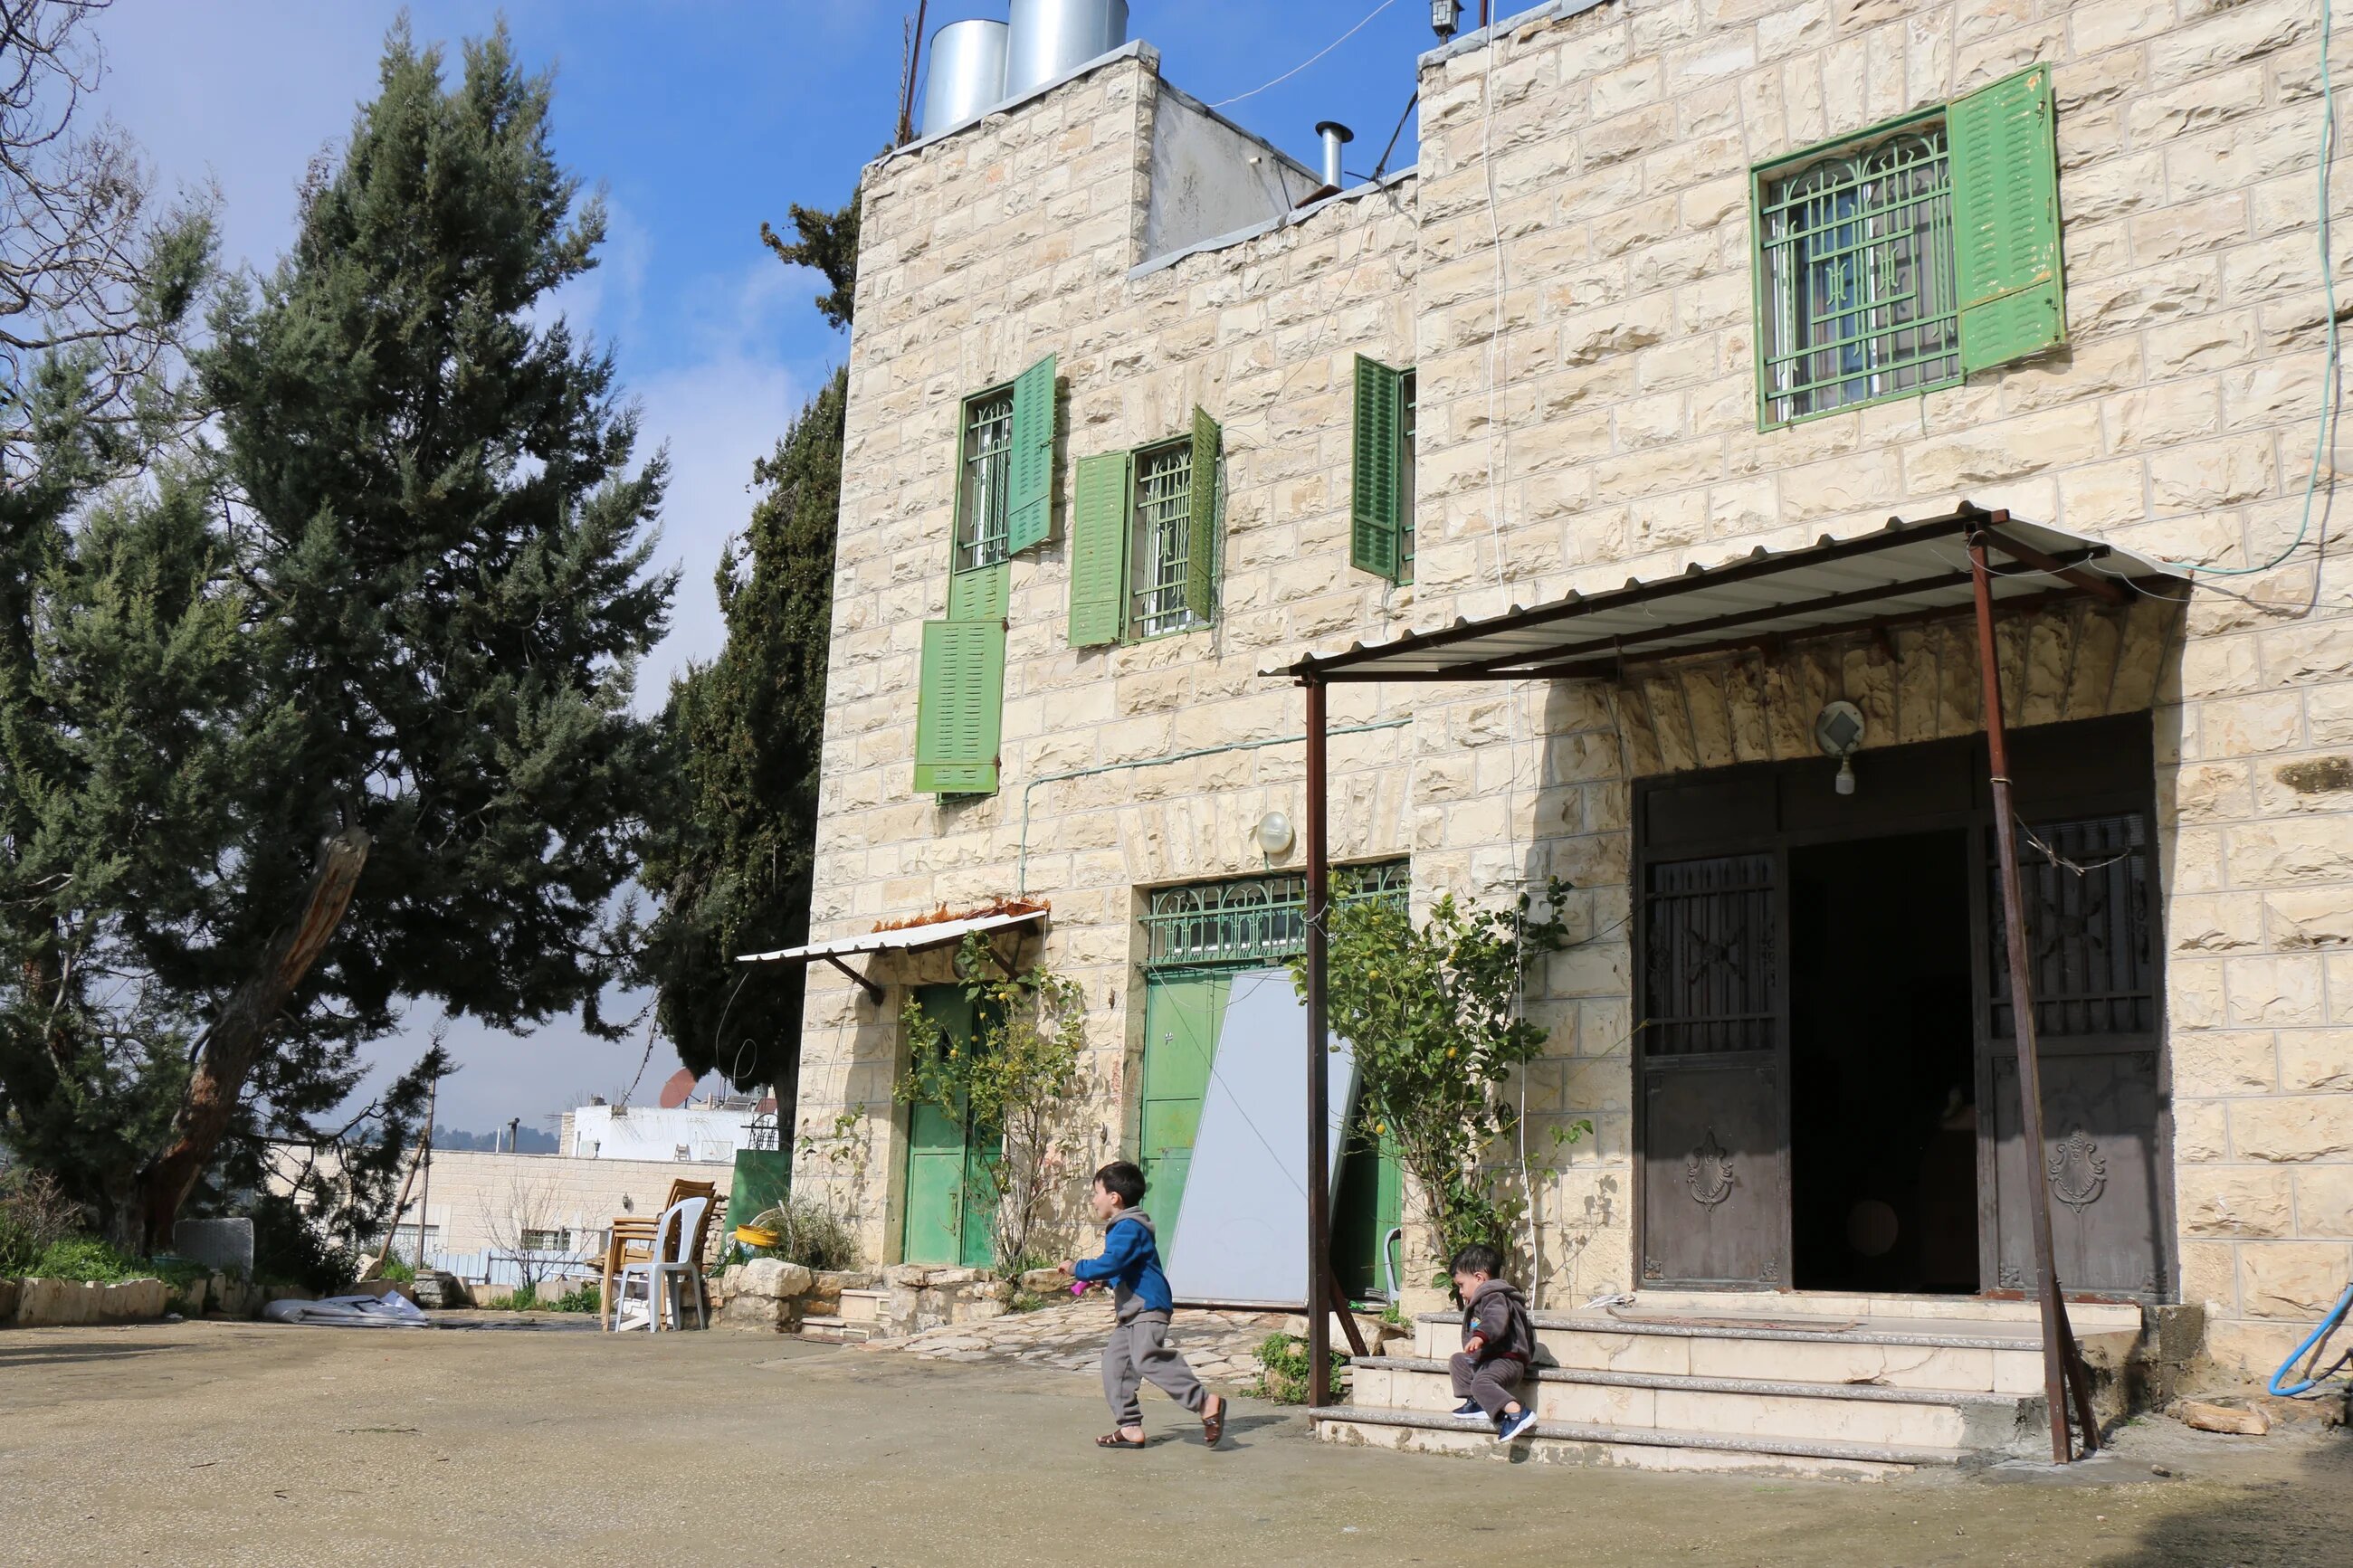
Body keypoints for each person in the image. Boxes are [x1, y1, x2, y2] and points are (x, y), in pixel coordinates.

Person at [1060, 1160, 1227, 1450]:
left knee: (1147, 1358)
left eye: (1096, 1192)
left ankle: (1205, 1402)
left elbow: (1111, 1262)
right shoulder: (1125, 1228)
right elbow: (1125, 1268)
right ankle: (1130, 1427)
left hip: (1148, 1307)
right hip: (1132, 1311)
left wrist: (1079, 1268)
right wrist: (1108, 1281)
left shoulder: (1127, 1227)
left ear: (1114, 1197)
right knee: (1115, 1365)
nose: (1093, 1199)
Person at [1447, 1242, 1539, 1442]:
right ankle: (1477, 1402)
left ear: (1479, 1278)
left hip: (1507, 1359)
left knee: (1482, 1382)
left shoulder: (1494, 1296)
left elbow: (1495, 1319)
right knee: (1458, 1361)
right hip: (1490, 1360)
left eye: (1462, 1285)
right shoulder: (1484, 1297)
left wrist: (1481, 1336)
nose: (1461, 1292)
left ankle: (1517, 1413)